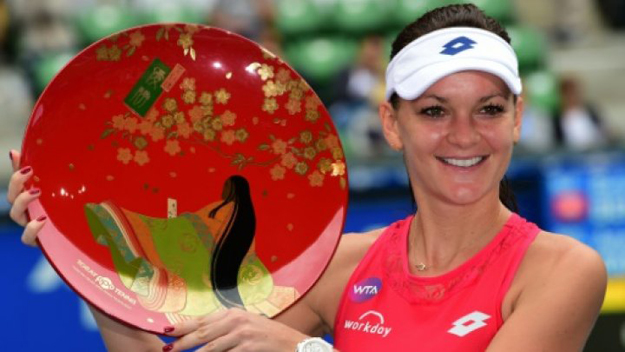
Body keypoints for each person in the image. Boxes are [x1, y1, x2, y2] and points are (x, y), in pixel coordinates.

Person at [8, 4, 607, 352]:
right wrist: (102, 281)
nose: (464, 134)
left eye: (490, 108)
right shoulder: (339, 266)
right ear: (390, 124)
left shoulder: (564, 269)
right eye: (432, 111)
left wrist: (301, 351)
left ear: (519, 119)